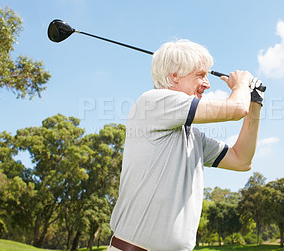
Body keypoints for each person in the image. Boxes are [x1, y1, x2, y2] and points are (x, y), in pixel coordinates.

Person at [108, 39, 264, 251]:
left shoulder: (193, 136)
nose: (207, 83)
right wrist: (240, 85)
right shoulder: (152, 102)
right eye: (200, 75)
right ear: (174, 75)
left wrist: (255, 103)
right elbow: (236, 108)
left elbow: (241, 160)